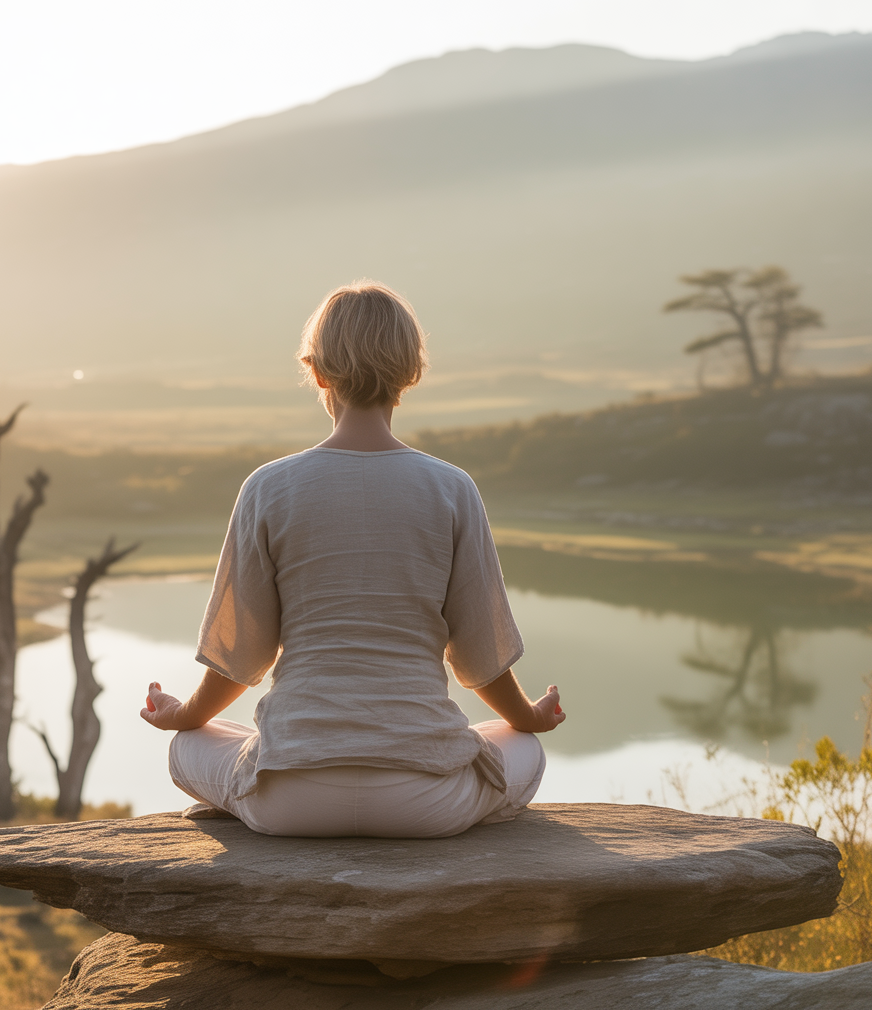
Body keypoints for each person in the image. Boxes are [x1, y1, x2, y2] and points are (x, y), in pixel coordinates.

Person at [140, 280, 566, 838]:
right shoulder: (452, 488)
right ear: (410, 373)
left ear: (317, 372)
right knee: (521, 745)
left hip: (289, 798)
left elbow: (241, 654)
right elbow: (481, 656)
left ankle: (248, 793)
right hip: (425, 800)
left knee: (190, 745)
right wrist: (529, 717)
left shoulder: (268, 487)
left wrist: (184, 716)